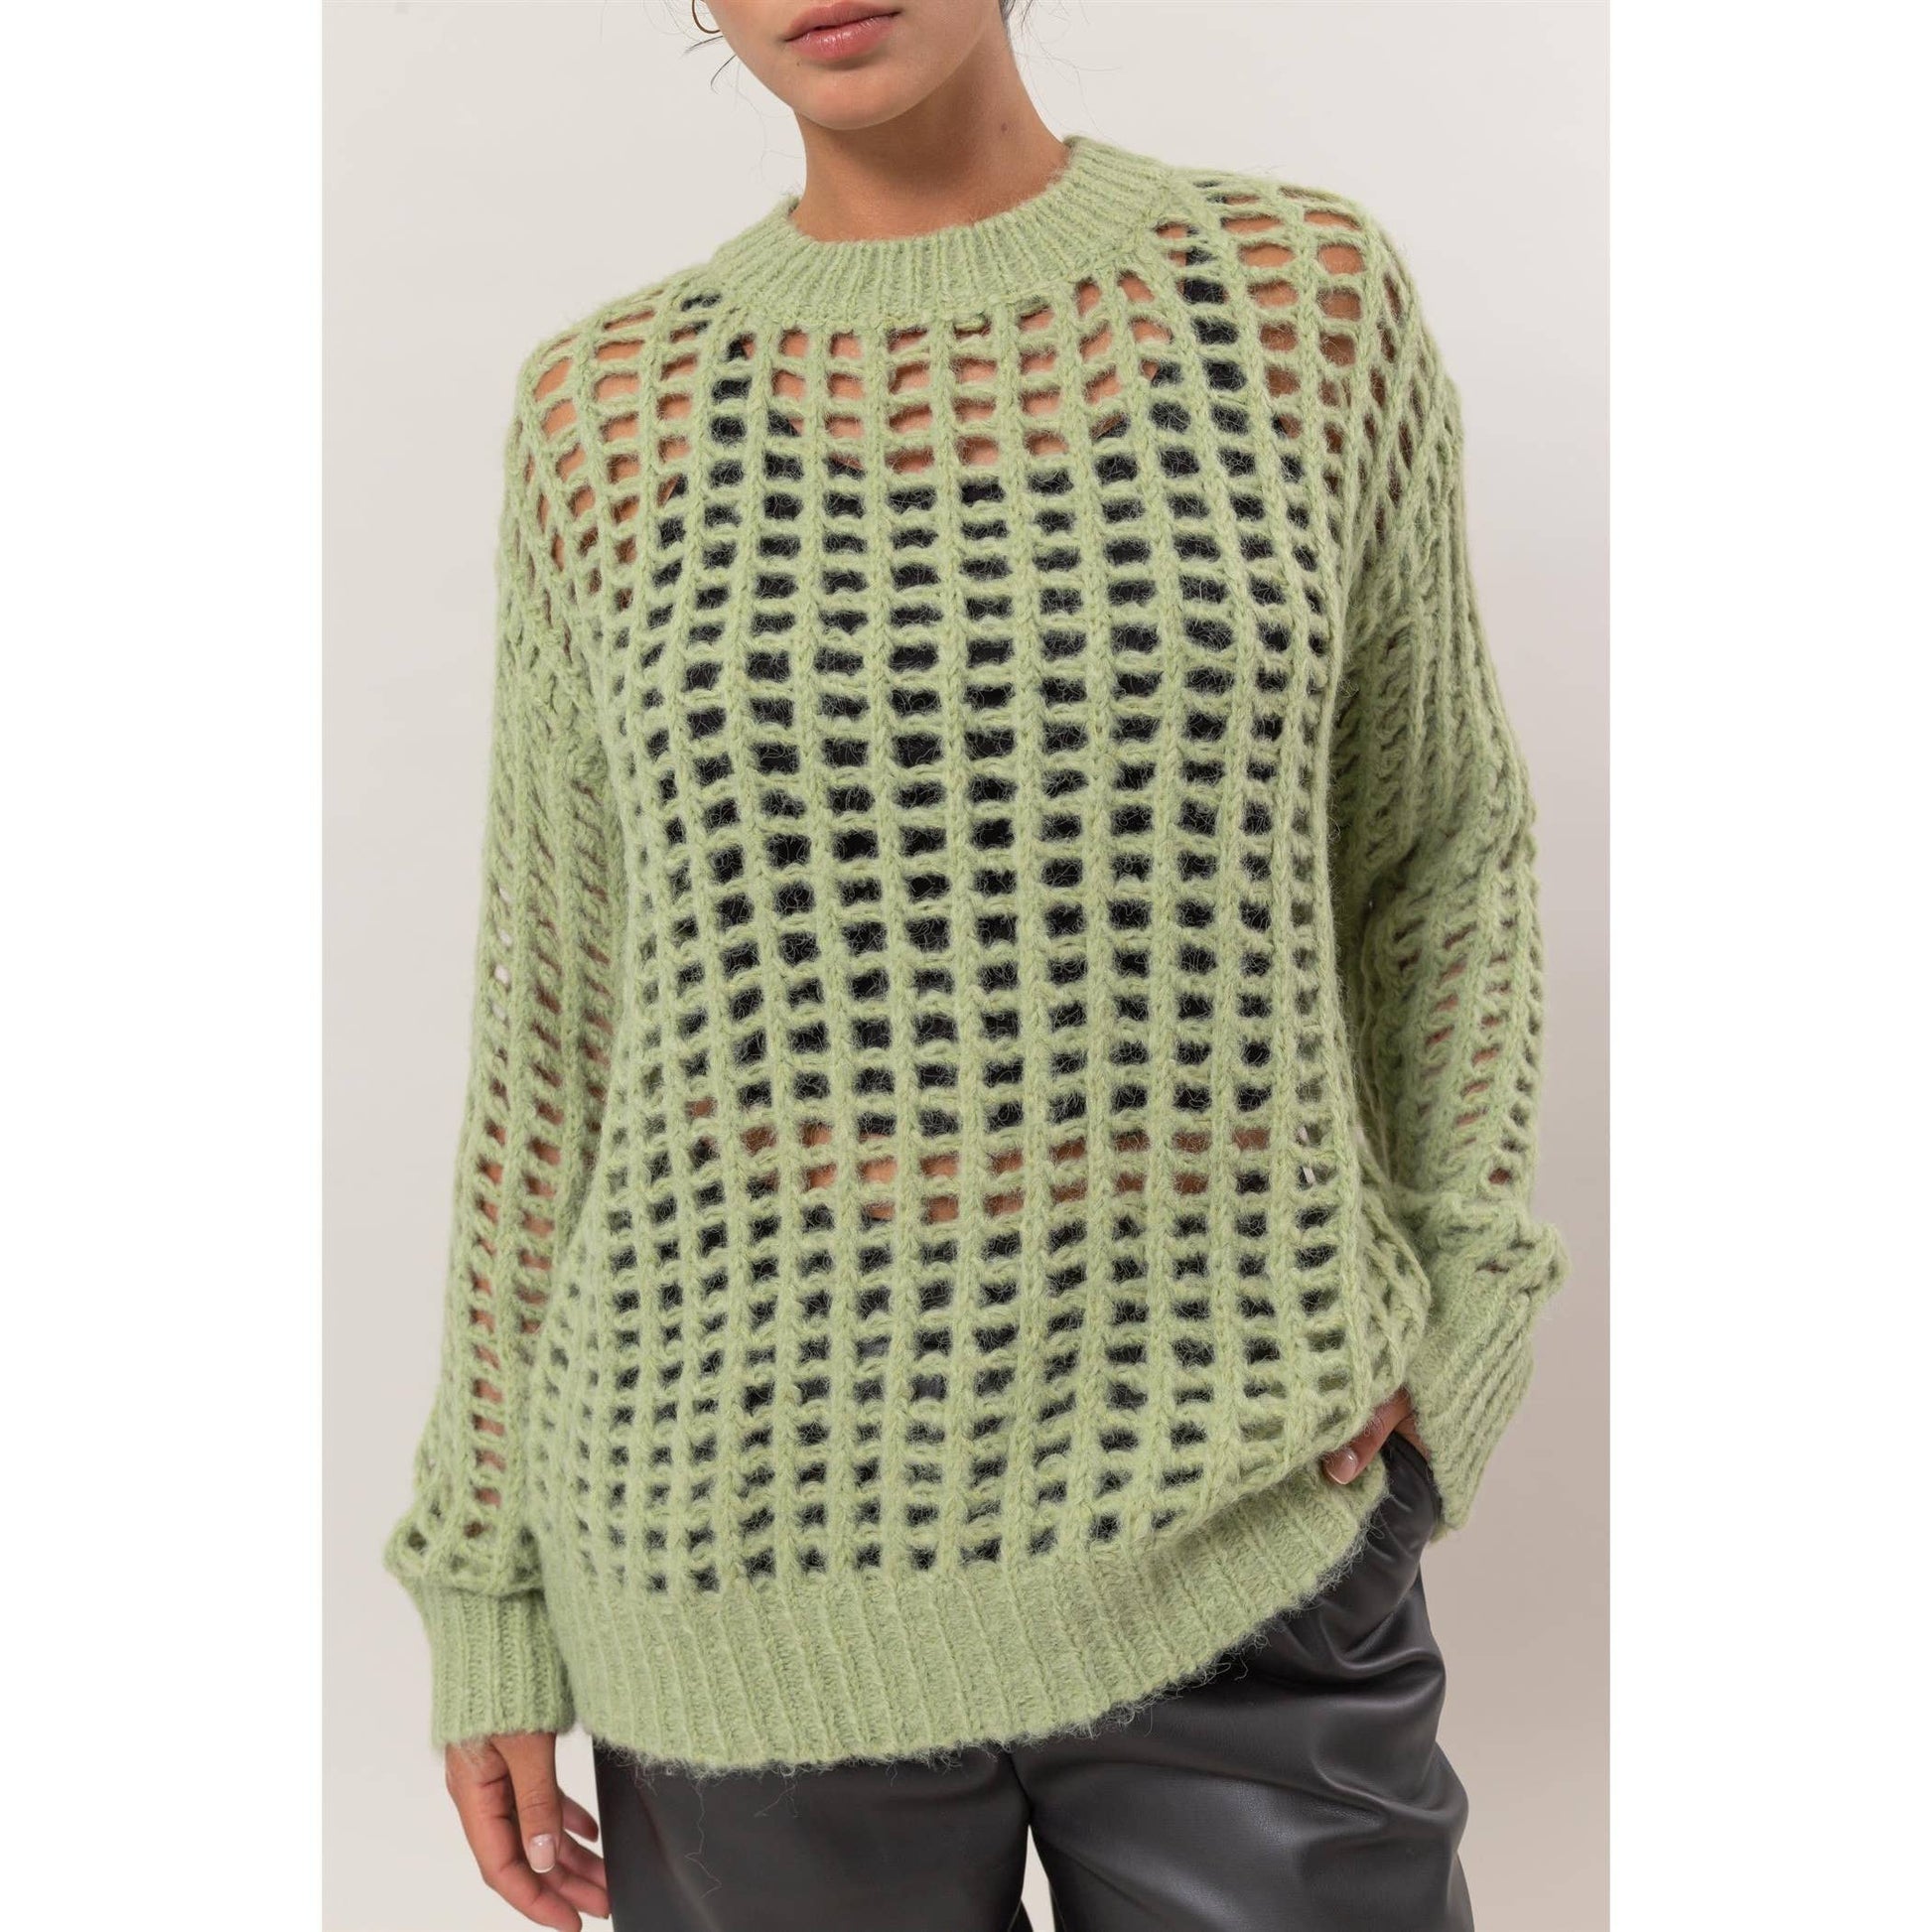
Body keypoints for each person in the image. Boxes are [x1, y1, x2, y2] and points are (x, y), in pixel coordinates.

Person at [380, 2, 1572, 1926]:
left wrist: (1465, 1311)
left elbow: (1432, 853)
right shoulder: (607, 410)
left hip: (1250, 1518)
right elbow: (557, 1027)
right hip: (732, 1562)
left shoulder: (1299, 300)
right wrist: (486, 1581)